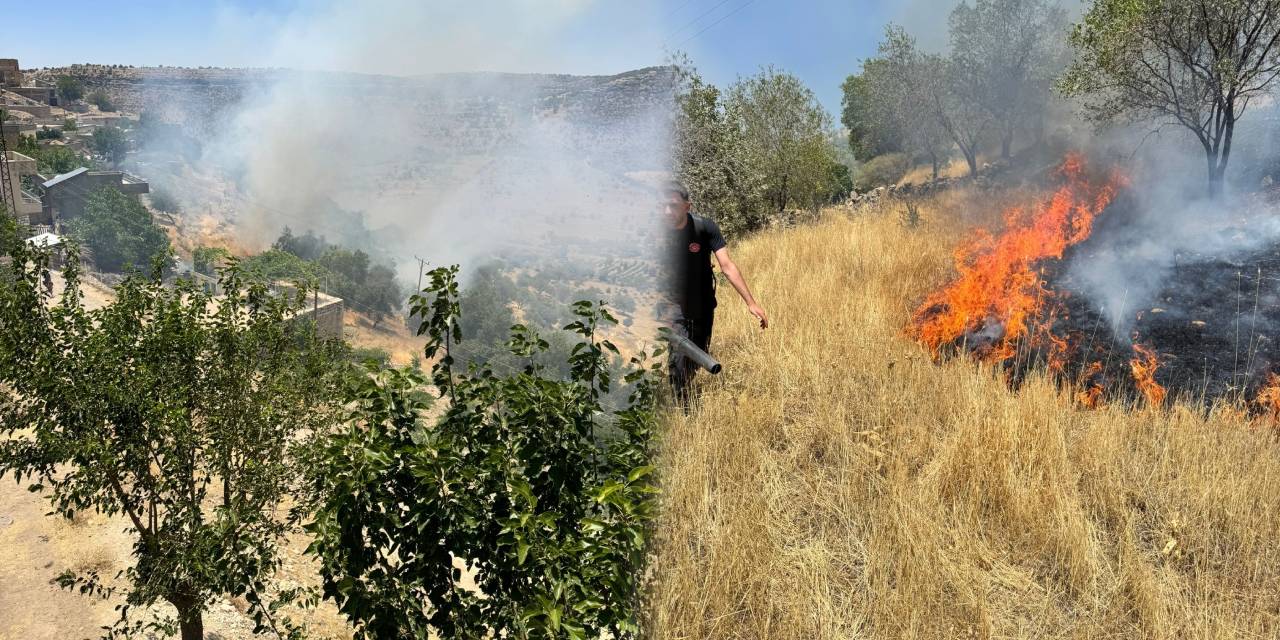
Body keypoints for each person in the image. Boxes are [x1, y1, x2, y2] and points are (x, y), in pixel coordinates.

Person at [662, 181, 767, 404]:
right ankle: (684, 409)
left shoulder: (705, 228)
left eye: (672, 205)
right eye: (663, 206)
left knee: (698, 356)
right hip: (673, 305)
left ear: (687, 206)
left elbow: (727, 266)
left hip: (704, 304)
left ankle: (686, 391)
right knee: (678, 360)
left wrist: (751, 303)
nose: (667, 212)